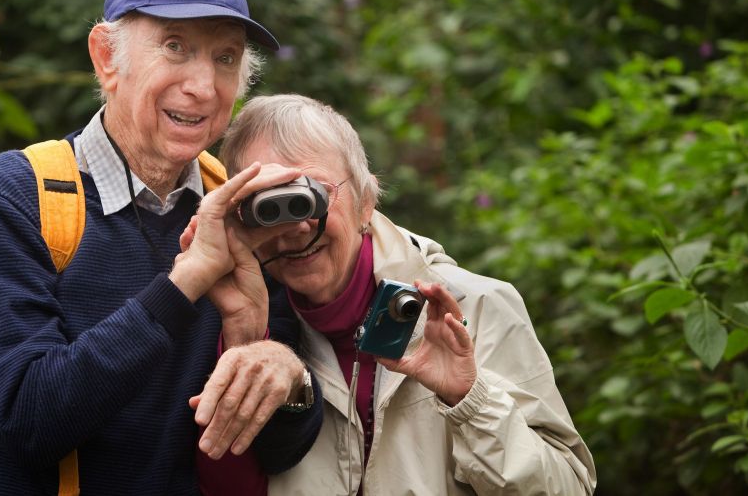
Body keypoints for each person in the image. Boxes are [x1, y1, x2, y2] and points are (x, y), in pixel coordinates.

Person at [0, 0, 322, 495]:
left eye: (226, 58)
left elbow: (278, 452)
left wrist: (284, 370)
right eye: (175, 47)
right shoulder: (13, 196)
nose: (203, 87)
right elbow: (27, 421)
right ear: (106, 57)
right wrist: (186, 282)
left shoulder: (244, 207)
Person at [213, 94, 597, 495]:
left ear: (366, 201)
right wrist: (243, 335)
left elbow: (569, 487)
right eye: (268, 206)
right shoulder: (250, 325)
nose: (295, 227)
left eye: (312, 196)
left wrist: (471, 399)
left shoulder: (477, 307)